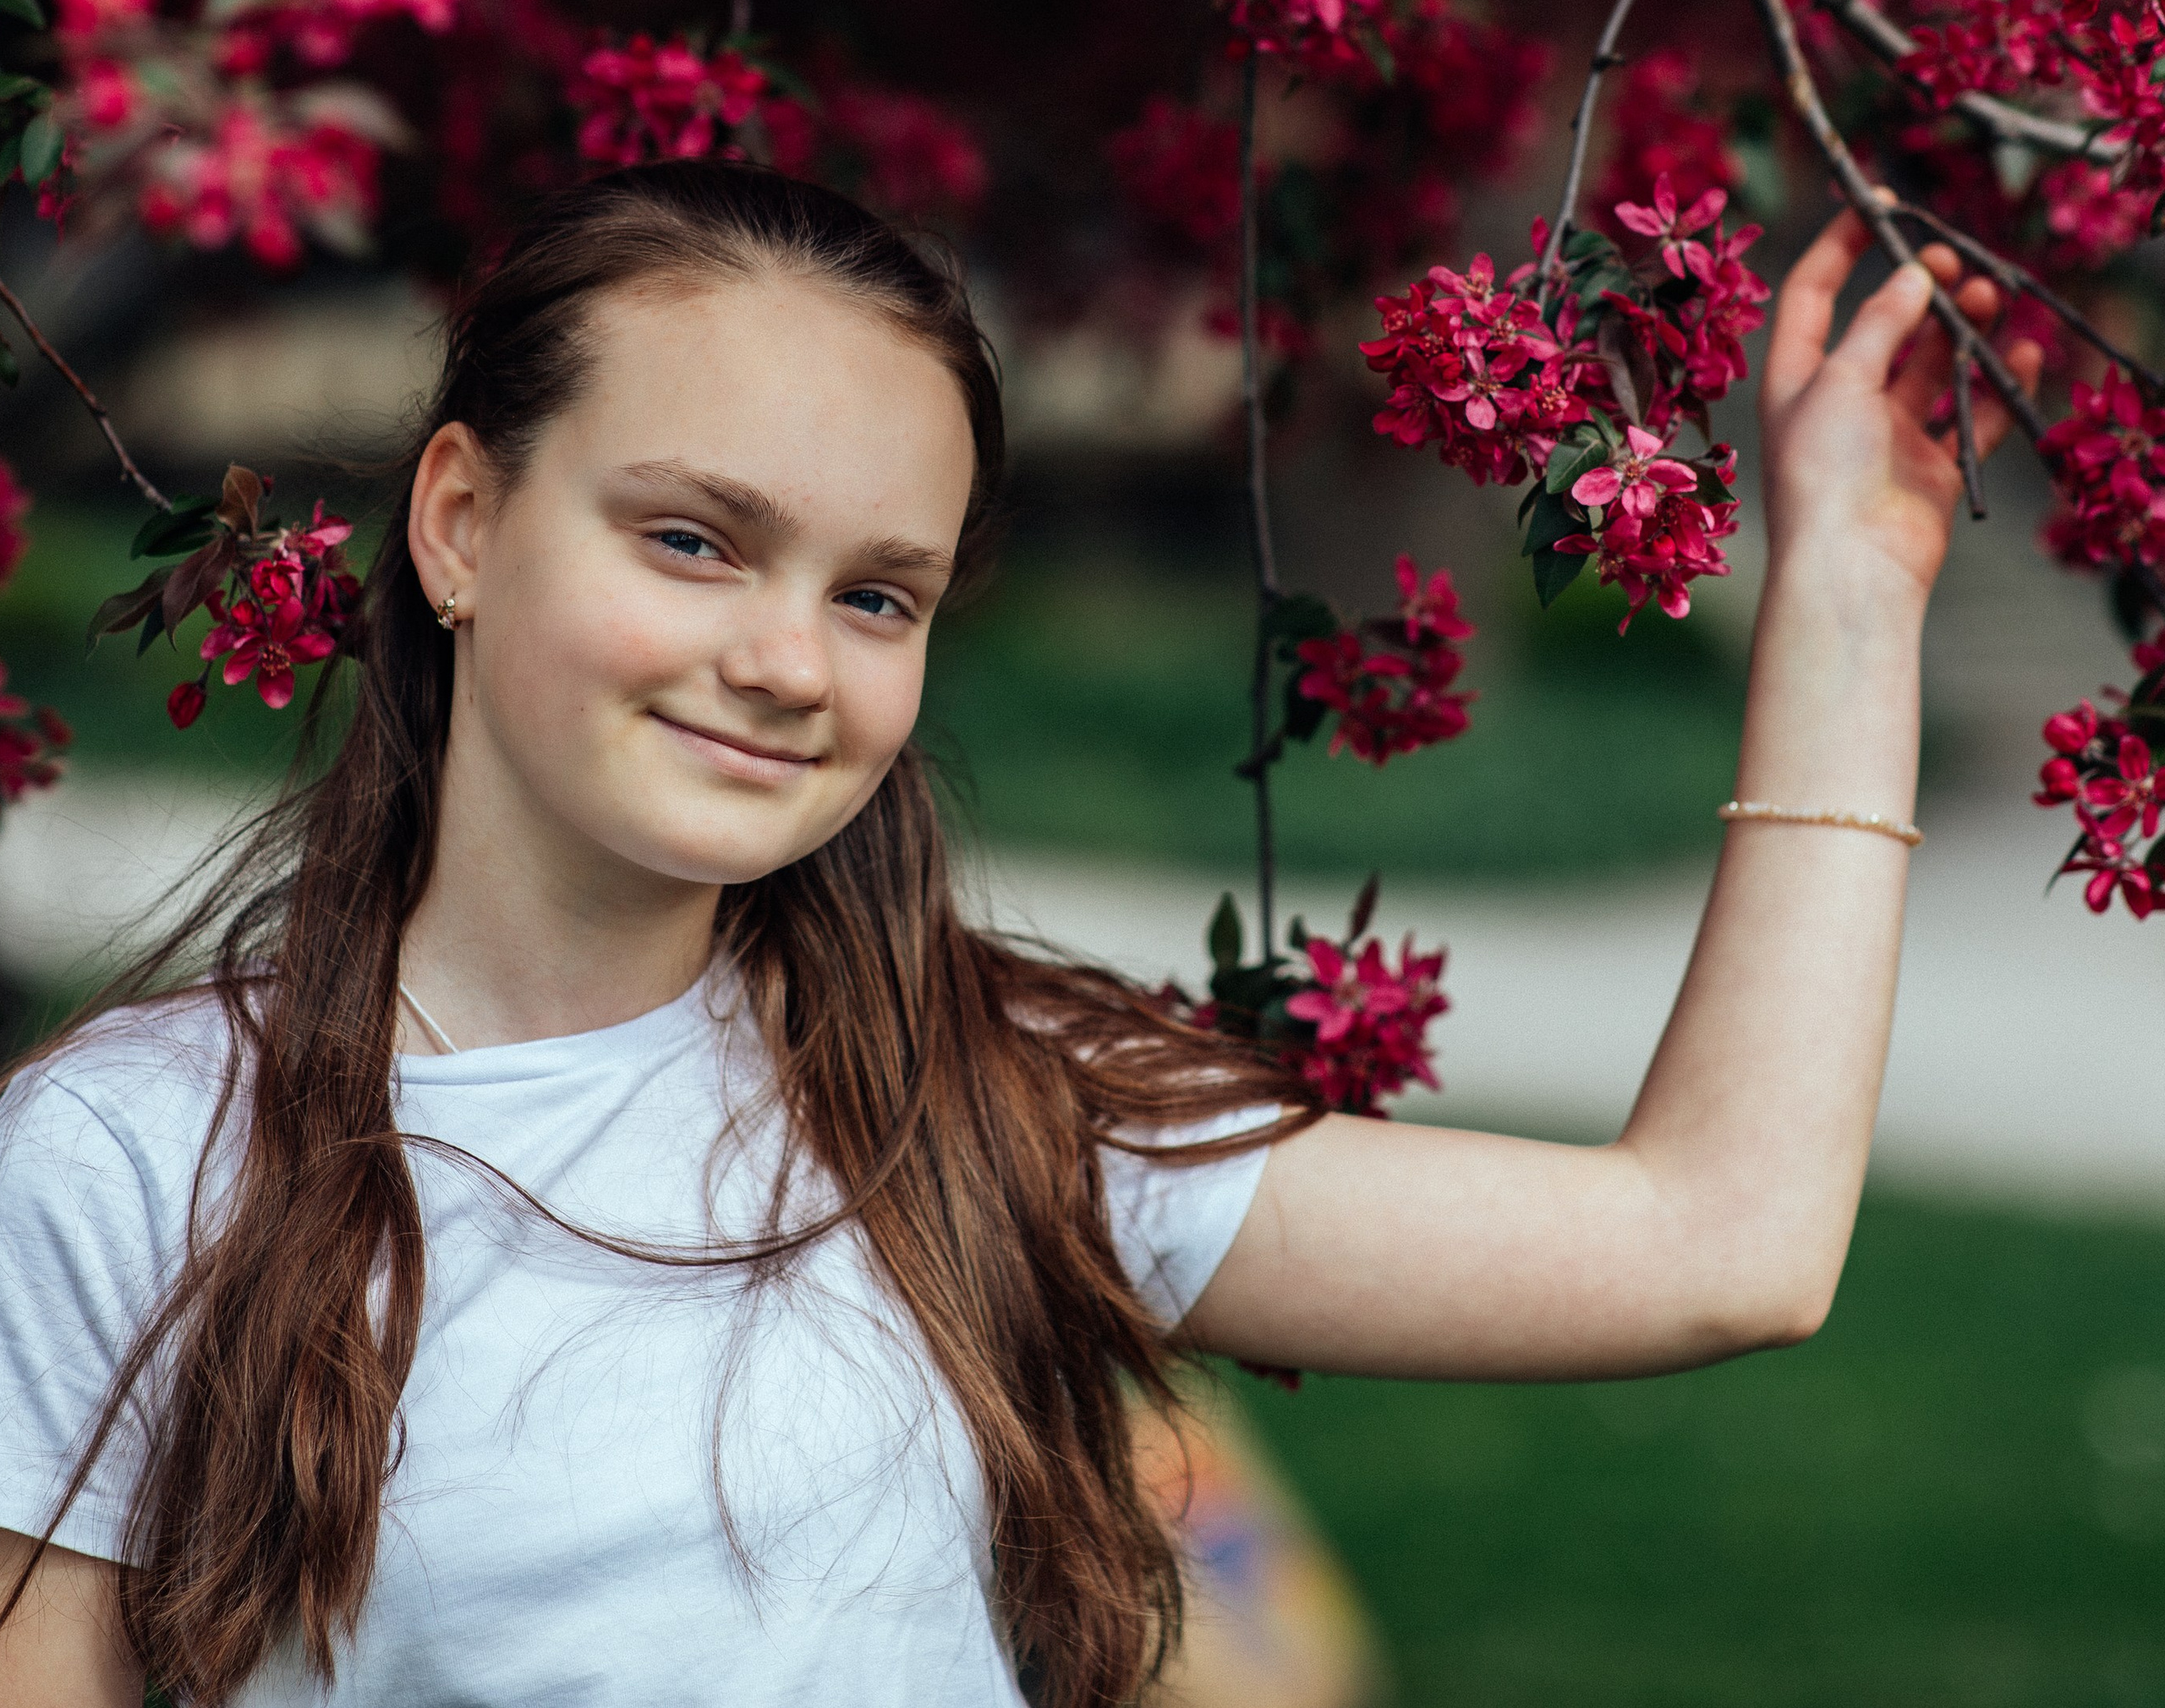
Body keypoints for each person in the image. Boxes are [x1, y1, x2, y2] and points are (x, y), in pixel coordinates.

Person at [0, 160, 2035, 1707]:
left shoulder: (986, 1101)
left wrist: (1846, 597)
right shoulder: (131, 1159)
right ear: (459, 520)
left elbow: (1719, 1243)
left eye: (877, 594)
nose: (787, 659)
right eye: (692, 539)